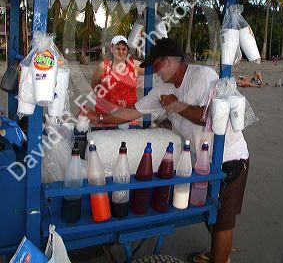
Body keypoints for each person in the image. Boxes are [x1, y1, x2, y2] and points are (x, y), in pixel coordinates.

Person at [85, 38, 249, 263]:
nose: (155, 71)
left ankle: (220, 258)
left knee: (222, 222)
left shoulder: (204, 77)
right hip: (201, 160)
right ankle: (218, 255)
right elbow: (132, 112)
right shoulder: (163, 88)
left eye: (157, 65)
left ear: (170, 61)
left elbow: (213, 117)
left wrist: (176, 105)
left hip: (229, 158)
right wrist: (99, 117)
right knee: (210, 213)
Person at [90, 35, 144, 126]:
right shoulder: (103, 67)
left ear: (127, 50)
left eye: (124, 49)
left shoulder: (134, 66)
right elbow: (94, 86)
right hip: (106, 118)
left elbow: (154, 68)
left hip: (128, 120)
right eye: (117, 48)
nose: (120, 52)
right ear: (111, 48)